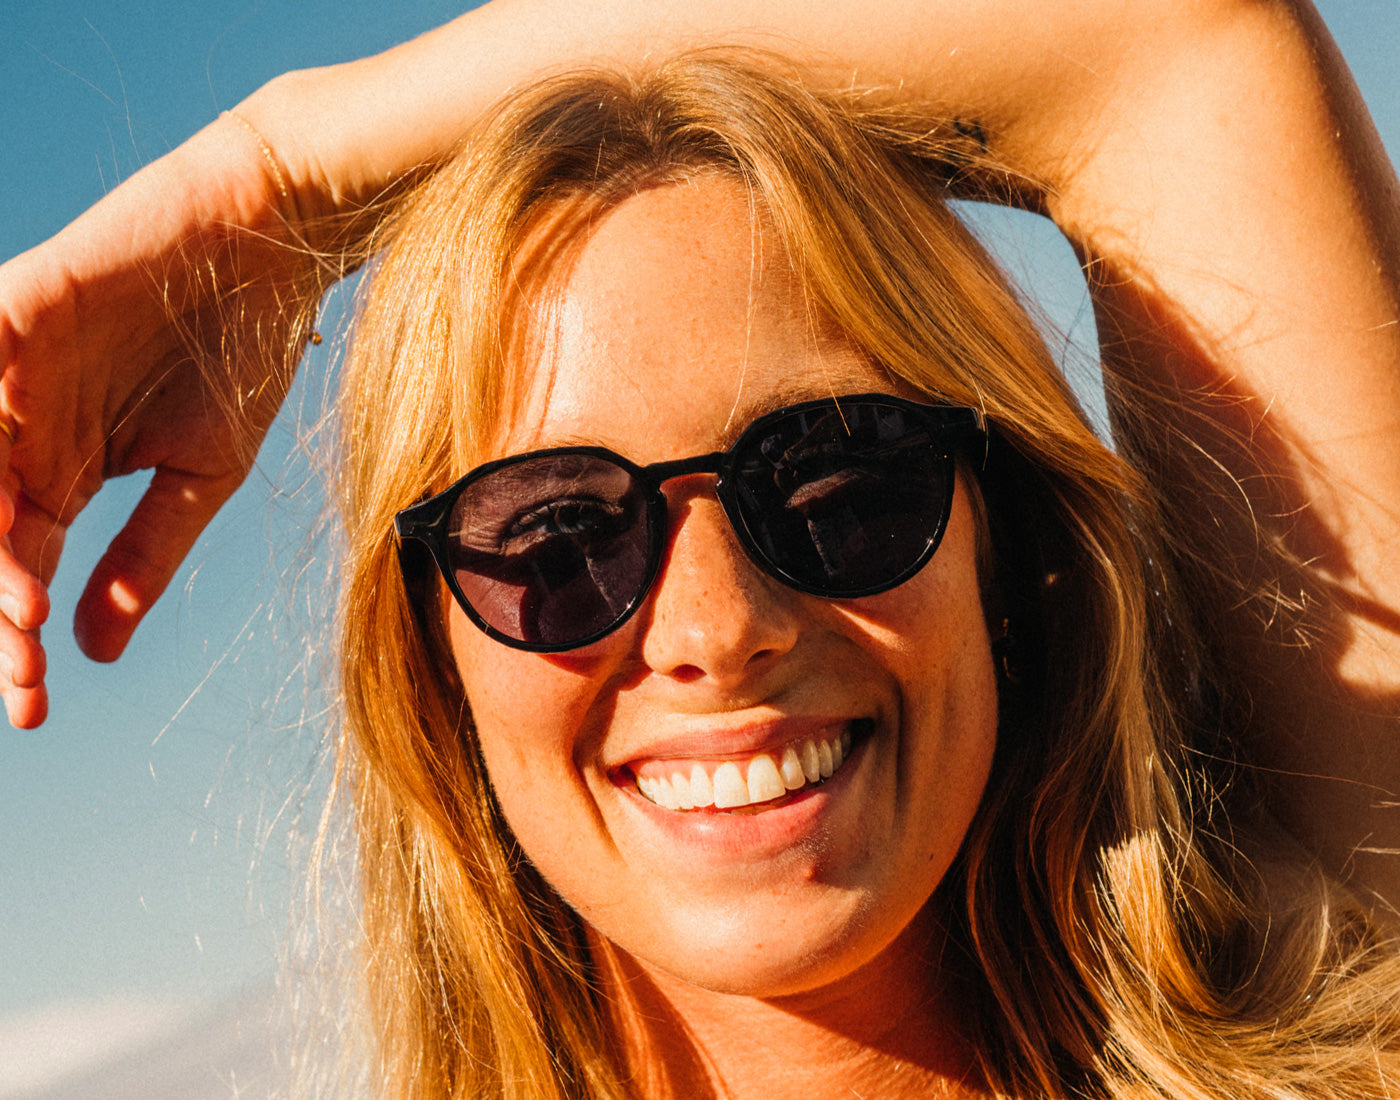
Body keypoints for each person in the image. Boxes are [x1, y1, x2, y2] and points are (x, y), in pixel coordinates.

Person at [1, 2, 1397, 1097]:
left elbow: (1169, 38)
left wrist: (285, 174)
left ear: (1005, 547)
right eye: (556, 534)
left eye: (841, 482)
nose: (718, 626)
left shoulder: (1355, 983)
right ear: (432, 672)